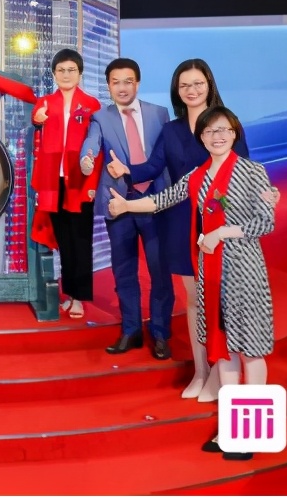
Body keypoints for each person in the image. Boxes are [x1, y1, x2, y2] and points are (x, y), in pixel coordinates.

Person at [107, 105, 276, 461]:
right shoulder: (197, 176)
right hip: (211, 272)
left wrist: (222, 233)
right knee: (223, 348)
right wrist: (126, 206)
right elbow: (162, 199)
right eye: (210, 131)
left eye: (224, 130)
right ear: (202, 138)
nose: (217, 136)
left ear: (235, 133)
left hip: (244, 273)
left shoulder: (252, 171)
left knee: (251, 351)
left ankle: (251, 433)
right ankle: (233, 430)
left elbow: (265, 222)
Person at [127, 59, 252, 400]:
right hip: (182, 222)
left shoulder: (226, 124)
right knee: (195, 300)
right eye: (184, 85)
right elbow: (153, 166)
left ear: (209, 84)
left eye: (197, 83)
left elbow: (243, 169)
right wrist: (124, 170)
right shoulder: (171, 130)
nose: (191, 90)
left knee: (219, 300)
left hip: (219, 223)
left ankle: (221, 374)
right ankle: (201, 371)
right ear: (176, 91)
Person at [79, 58, 173, 359]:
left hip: (155, 201)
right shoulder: (100, 117)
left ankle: (160, 333)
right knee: (124, 271)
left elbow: (166, 155)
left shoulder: (160, 113)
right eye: (116, 82)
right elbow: (91, 143)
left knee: (160, 271)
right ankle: (131, 330)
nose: (122, 87)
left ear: (137, 83)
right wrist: (87, 158)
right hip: (119, 203)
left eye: (128, 81)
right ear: (108, 85)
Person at [30, 48, 101, 319]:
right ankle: (68, 292)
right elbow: (36, 119)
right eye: (61, 70)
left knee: (80, 240)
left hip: (80, 182)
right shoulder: (46, 102)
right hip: (53, 181)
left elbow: (97, 145)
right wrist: (38, 119)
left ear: (80, 73)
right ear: (54, 74)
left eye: (71, 70)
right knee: (63, 240)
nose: (66, 74)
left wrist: (92, 182)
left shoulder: (91, 104)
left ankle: (79, 297)